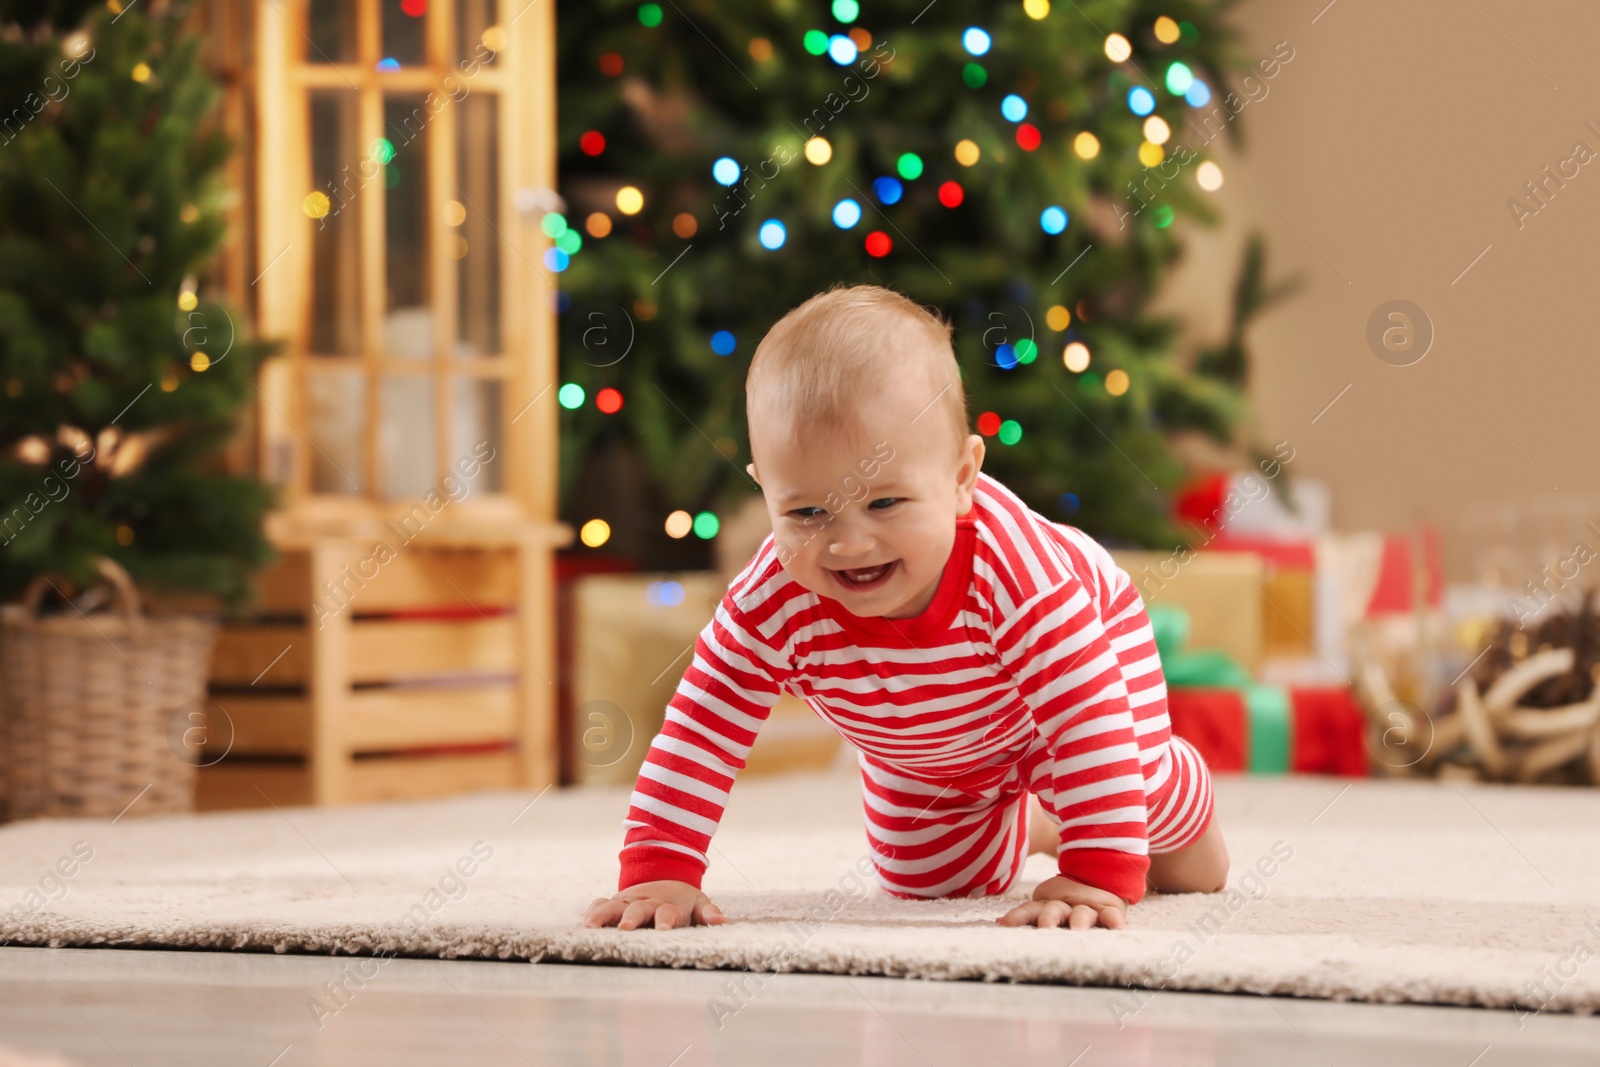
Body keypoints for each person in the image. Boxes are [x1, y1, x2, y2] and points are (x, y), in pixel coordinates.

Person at [583, 283, 1228, 934]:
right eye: (806, 511)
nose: (848, 542)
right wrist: (660, 869)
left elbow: (1088, 712)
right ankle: (1033, 821)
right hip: (925, 747)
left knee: (1154, 832)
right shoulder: (771, 598)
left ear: (961, 478)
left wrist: (1093, 874)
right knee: (931, 882)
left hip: (1078, 687)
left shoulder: (1019, 575)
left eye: (885, 502)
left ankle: (1165, 789)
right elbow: (702, 729)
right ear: (766, 490)